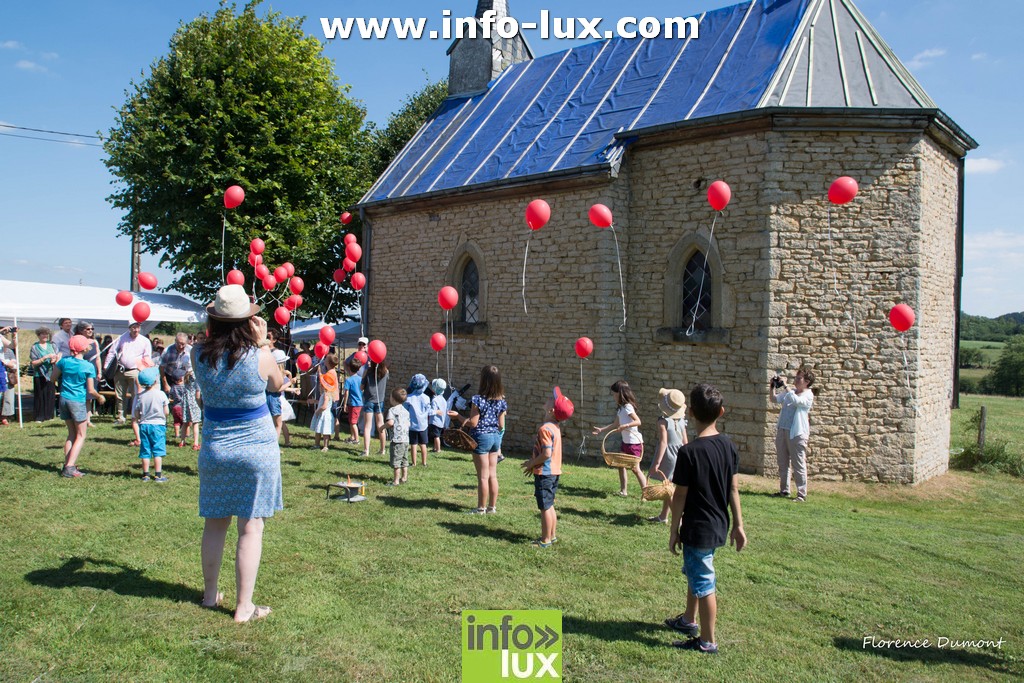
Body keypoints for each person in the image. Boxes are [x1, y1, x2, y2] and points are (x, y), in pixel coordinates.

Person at [192, 284, 284, 623]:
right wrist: (262, 344)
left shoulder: (197, 354)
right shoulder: (261, 356)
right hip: (257, 450)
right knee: (250, 528)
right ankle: (244, 607)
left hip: (216, 447)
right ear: (249, 320)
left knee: (215, 525)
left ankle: (209, 595)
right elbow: (277, 384)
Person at [665, 383, 746, 654]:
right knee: (695, 572)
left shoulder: (689, 453)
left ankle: (708, 641)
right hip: (718, 526)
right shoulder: (729, 446)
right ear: (720, 412)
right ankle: (689, 620)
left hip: (698, 529)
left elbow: (679, 497)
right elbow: (734, 489)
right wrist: (738, 525)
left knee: (704, 582)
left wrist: (674, 528)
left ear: (691, 415)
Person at [449, 365, 507, 514]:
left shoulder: (477, 399)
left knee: (482, 476)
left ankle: (481, 508)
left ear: (483, 380)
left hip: (481, 438)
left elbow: (473, 423)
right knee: (492, 475)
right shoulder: (501, 402)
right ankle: (491, 508)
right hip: (495, 439)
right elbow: (501, 425)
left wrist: (458, 417)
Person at [521, 387, 574, 548]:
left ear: (551, 410)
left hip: (545, 473)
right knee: (550, 505)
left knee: (544, 507)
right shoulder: (555, 428)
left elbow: (546, 454)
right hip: (554, 472)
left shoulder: (545, 429)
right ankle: (552, 535)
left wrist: (532, 463)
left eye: (552, 399)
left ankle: (545, 540)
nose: (549, 398)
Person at [51, 334, 105, 477]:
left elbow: (52, 378)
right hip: (77, 401)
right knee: (81, 435)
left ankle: (68, 463)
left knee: (71, 434)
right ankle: (69, 468)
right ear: (83, 348)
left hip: (63, 400)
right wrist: (100, 397)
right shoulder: (88, 366)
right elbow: (91, 390)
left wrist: (56, 363)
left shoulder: (64, 362)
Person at [592, 380, 648, 497]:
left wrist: (626, 425)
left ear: (620, 393)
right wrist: (601, 430)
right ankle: (623, 491)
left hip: (634, 443)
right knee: (621, 465)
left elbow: (638, 421)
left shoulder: (628, 407)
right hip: (626, 442)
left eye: (614, 394)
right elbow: (615, 425)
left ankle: (646, 493)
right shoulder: (621, 408)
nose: (613, 396)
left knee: (635, 469)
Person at [771, 366, 817, 502]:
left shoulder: (808, 395)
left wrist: (786, 386)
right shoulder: (791, 391)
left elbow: (797, 401)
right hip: (783, 429)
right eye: (796, 378)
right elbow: (774, 399)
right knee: (783, 461)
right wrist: (772, 387)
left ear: (807, 381)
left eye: (799, 378)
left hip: (797, 433)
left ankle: (801, 494)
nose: (796, 380)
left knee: (798, 463)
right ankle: (784, 490)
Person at [647, 388, 689, 524]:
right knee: (669, 486)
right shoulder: (682, 421)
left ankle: (680, 519)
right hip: (680, 454)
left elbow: (663, 442)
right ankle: (663, 516)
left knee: (668, 489)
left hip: (668, 455)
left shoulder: (662, 421)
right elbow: (685, 442)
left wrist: (657, 463)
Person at [104, 321, 153, 425]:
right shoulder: (121, 338)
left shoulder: (144, 341)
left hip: (136, 370)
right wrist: (106, 366)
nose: (136, 330)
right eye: (134, 327)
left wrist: (146, 371)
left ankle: (137, 416)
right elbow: (112, 352)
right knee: (120, 395)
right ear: (129, 328)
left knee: (137, 395)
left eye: (138, 327)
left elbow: (147, 356)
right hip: (121, 370)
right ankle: (121, 416)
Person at [134, 366, 169, 482]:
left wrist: (141, 418)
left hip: (144, 425)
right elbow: (166, 412)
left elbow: (136, 413)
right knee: (158, 451)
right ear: (155, 380)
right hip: (158, 425)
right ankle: (158, 475)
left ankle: (145, 475)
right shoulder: (161, 394)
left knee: (145, 451)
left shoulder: (141, 396)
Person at [74, 322, 103, 424]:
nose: (90, 331)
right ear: (81, 330)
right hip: (81, 370)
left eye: (92, 329)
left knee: (89, 396)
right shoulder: (77, 341)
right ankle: (78, 417)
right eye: (88, 329)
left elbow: (98, 358)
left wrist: (99, 372)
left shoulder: (94, 342)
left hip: (92, 370)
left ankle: (88, 419)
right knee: (80, 395)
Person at [360, 358, 390, 458]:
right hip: (380, 401)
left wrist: (364, 375)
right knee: (380, 425)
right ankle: (382, 450)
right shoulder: (386, 371)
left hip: (369, 401)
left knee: (367, 426)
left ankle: (366, 450)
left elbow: (361, 387)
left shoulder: (368, 371)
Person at [29, 327, 59, 422]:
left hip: (51, 373)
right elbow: (33, 363)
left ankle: (49, 416)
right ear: (38, 336)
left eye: (46, 334)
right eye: (43, 334)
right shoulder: (35, 347)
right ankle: (39, 416)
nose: (45, 336)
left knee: (50, 394)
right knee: (40, 395)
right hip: (39, 374)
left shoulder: (52, 345)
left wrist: (54, 359)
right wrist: (45, 358)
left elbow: (57, 356)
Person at [311, 355, 339, 452]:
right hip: (324, 412)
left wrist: (317, 411)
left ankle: (325, 445)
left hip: (325, 413)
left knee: (324, 431)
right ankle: (317, 444)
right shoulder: (325, 393)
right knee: (319, 430)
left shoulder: (327, 394)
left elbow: (324, 405)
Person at [384, 388, 410, 486]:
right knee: (404, 460)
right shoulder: (406, 411)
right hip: (406, 439)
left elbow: (390, 423)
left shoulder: (392, 410)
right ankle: (404, 478)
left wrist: (382, 427)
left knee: (396, 461)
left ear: (393, 399)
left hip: (397, 440)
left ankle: (396, 481)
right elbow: (408, 424)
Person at [405, 374, 432, 467]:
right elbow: (429, 410)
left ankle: (414, 463)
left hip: (412, 425)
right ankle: (424, 463)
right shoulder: (426, 398)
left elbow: (405, 410)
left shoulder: (408, 398)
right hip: (423, 425)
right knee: (423, 444)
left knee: (413, 444)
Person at [341, 358, 363, 445]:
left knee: (353, 422)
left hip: (353, 404)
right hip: (359, 403)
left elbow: (346, 393)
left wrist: (344, 404)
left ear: (349, 368)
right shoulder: (360, 379)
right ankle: (352, 437)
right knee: (351, 420)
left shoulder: (349, 380)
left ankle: (356, 439)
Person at [179, 363, 202, 451]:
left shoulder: (186, 376)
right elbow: (197, 393)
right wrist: (199, 404)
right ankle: (196, 443)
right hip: (194, 401)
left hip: (186, 401)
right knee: (195, 423)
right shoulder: (197, 377)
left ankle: (182, 441)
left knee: (185, 423)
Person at [428, 378, 448, 453]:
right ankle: (435, 448)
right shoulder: (444, 400)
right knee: (435, 436)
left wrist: (430, 411)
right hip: (441, 422)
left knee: (436, 436)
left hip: (435, 421)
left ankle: (438, 449)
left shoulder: (435, 400)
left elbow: (432, 411)